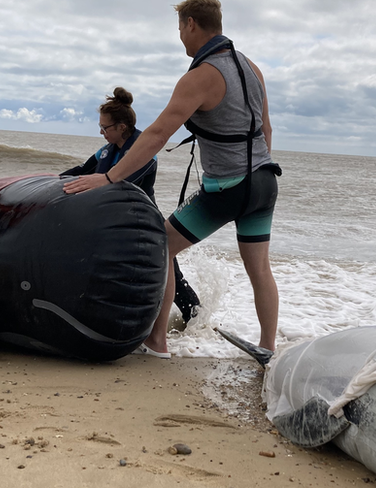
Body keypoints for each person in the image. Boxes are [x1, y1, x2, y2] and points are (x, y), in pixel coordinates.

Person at [63, 0, 280, 359]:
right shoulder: (252, 68)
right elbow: (266, 129)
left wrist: (110, 178)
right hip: (265, 182)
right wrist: (255, 173)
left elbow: (158, 133)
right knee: (259, 268)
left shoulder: (201, 76)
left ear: (191, 24)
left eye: (180, 28)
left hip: (229, 187)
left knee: (163, 243)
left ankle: (157, 340)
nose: (180, 36)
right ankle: (268, 347)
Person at [60, 87, 201, 325]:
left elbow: (123, 184)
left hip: (145, 225)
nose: (101, 132)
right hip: (114, 224)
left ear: (121, 128)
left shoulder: (142, 153)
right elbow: (82, 171)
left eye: (104, 127)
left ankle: (198, 324)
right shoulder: (108, 150)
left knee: (170, 276)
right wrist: (50, 180)